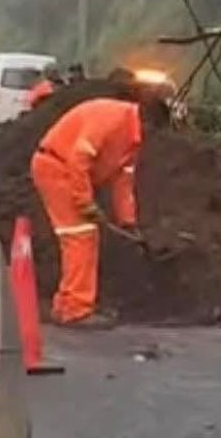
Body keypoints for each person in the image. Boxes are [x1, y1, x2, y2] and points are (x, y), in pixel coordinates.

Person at [29, 95, 170, 327]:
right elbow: (79, 159)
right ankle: (76, 311)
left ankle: (65, 306)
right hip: (56, 168)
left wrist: (128, 222)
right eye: (153, 131)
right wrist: (85, 202)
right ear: (147, 121)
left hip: (65, 171)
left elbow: (123, 181)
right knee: (81, 236)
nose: (152, 138)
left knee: (81, 236)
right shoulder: (111, 120)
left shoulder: (132, 140)